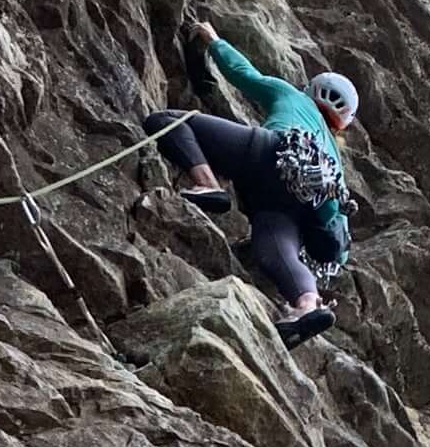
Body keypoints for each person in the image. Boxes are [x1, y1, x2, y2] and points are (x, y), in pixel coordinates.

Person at [145, 19, 358, 347]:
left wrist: (214, 40)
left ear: (313, 89)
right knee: (276, 253)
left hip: (272, 153)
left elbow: (245, 75)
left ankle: (207, 183)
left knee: (168, 121)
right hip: (294, 207)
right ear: (343, 121)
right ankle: (307, 304)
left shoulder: (293, 96)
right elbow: (336, 226)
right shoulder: (334, 163)